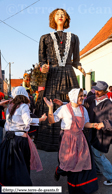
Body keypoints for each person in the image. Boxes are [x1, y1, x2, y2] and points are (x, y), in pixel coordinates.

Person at [35, 8, 86, 151]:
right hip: (53, 75)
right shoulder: (44, 38)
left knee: (73, 103)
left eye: (63, 14)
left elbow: (76, 60)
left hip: (69, 74)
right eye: (57, 14)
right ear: (53, 18)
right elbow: (42, 61)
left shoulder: (74, 37)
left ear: (66, 18)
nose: (60, 16)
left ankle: (75, 135)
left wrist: (81, 68)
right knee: (52, 104)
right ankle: (53, 141)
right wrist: (44, 68)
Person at [44, 88, 98, 194]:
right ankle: (59, 170)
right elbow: (51, 120)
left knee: (81, 162)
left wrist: (94, 125)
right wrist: (50, 108)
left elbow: (85, 123)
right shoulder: (64, 109)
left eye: (83, 95)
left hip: (80, 138)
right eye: (80, 96)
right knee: (68, 163)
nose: (82, 98)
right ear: (74, 97)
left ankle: (78, 188)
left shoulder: (83, 109)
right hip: (67, 139)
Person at [0, 86, 47, 187]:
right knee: (22, 166)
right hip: (19, 140)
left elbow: (9, 123)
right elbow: (27, 121)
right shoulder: (24, 106)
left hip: (8, 139)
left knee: (10, 166)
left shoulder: (10, 106)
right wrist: (41, 119)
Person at [84, 81, 112, 186]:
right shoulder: (91, 99)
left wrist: (103, 124)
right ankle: (98, 170)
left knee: (98, 156)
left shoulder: (108, 104)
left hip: (102, 135)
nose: (96, 92)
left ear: (105, 91)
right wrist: (64, 104)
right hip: (91, 133)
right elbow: (80, 105)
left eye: (99, 91)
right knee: (93, 153)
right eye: (95, 89)